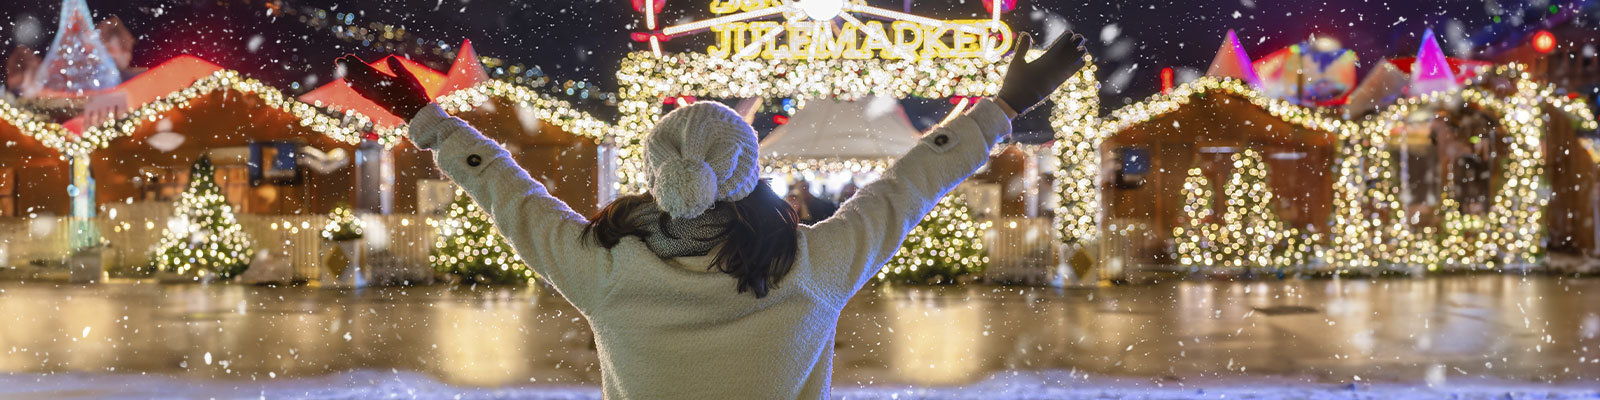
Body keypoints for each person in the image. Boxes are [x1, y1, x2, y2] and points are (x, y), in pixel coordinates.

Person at [338, 30, 1087, 400]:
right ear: (750, 173)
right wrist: (1004, 105)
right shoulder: (809, 267)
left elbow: (507, 189)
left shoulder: (602, 271)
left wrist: (428, 119)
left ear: (656, 174)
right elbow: (910, 183)